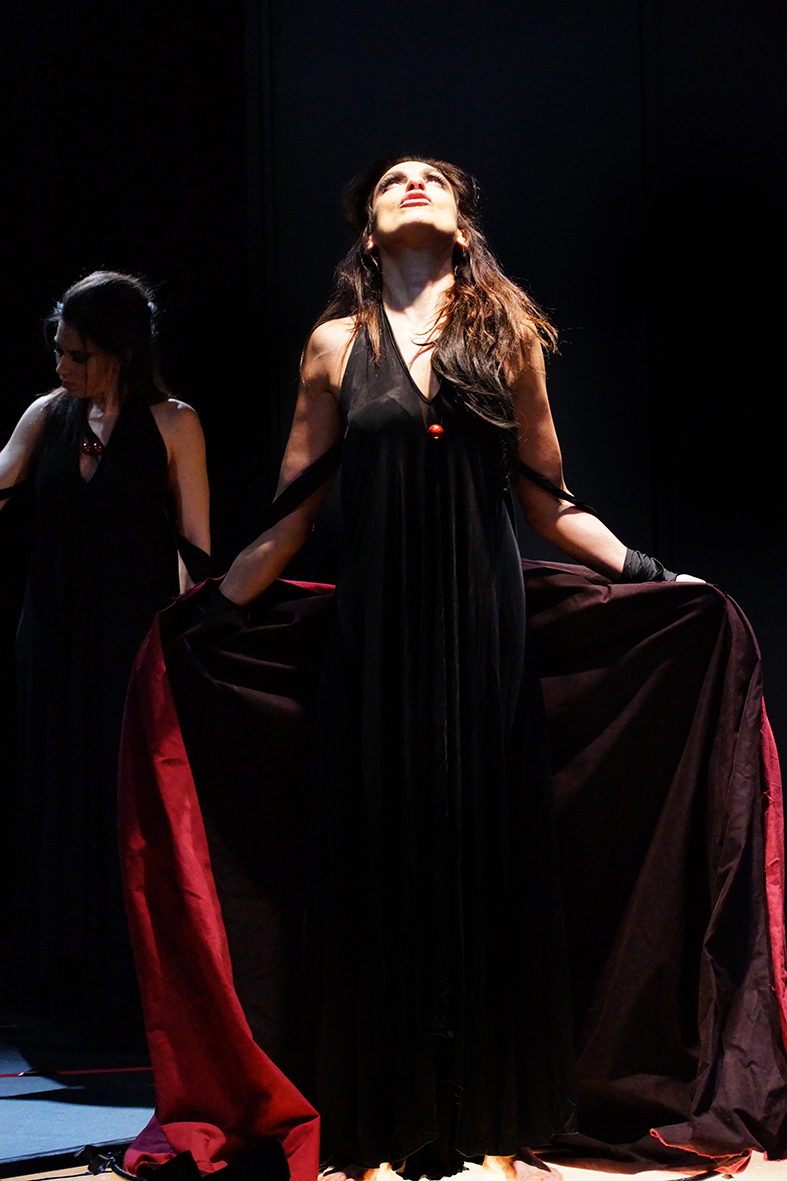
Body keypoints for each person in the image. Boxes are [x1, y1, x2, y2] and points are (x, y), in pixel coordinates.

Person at [117, 159, 785, 1181]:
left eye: (435, 179)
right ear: (368, 232)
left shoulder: (505, 336)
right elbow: (292, 515)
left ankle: (490, 1113)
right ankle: (388, 1118)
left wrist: (657, 575)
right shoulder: (334, 345)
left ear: (465, 226)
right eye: (395, 180)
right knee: (383, 860)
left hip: (484, 636)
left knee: (484, 856)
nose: (415, 183)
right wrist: (210, 609)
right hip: (375, 644)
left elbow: (548, 500)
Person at [0, 271, 210, 1050]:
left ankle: (130, 984)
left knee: (124, 807)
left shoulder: (174, 423)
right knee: (57, 797)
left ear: (119, 352)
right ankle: (62, 980)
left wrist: (185, 649)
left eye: (77, 354)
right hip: (52, 642)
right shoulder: (45, 414)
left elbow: (195, 546)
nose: (61, 365)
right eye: (57, 349)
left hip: (130, 641)